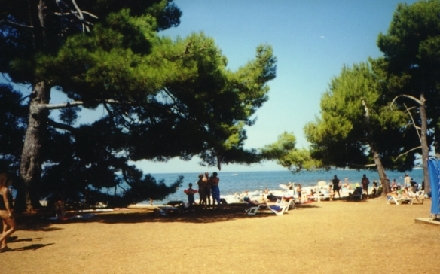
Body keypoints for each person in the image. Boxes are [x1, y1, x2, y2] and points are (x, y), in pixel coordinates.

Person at [0, 173, 16, 252]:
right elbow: (6, 201)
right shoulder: (5, 189)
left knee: (5, 228)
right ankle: (0, 239)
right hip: (5, 211)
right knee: (13, 228)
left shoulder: (1, 189)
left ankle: (4, 246)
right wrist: (9, 211)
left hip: (1, 211)